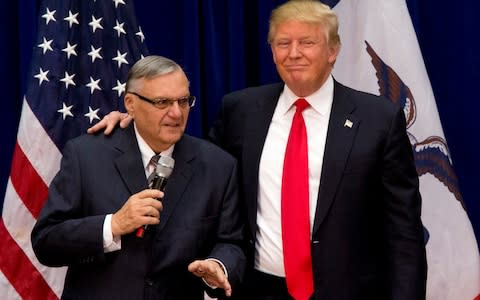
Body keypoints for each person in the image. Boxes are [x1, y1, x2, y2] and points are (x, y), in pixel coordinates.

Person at [89, 1, 427, 299]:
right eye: (283, 43)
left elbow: (404, 233)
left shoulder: (378, 119)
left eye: (307, 42)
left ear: (333, 50)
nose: (293, 53)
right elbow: (195, 169)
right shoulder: (241, 111)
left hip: (350, 291)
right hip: (254, 289)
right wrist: (136, 121)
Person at [31, 55, 245, 300]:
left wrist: (219, 265)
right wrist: (112, 225)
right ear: (130, 104)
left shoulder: (218, 166)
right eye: (162, 102)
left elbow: (232, 243)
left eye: (183, 101)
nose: (176, 113)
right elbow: (46, 242)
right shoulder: (85, 156)